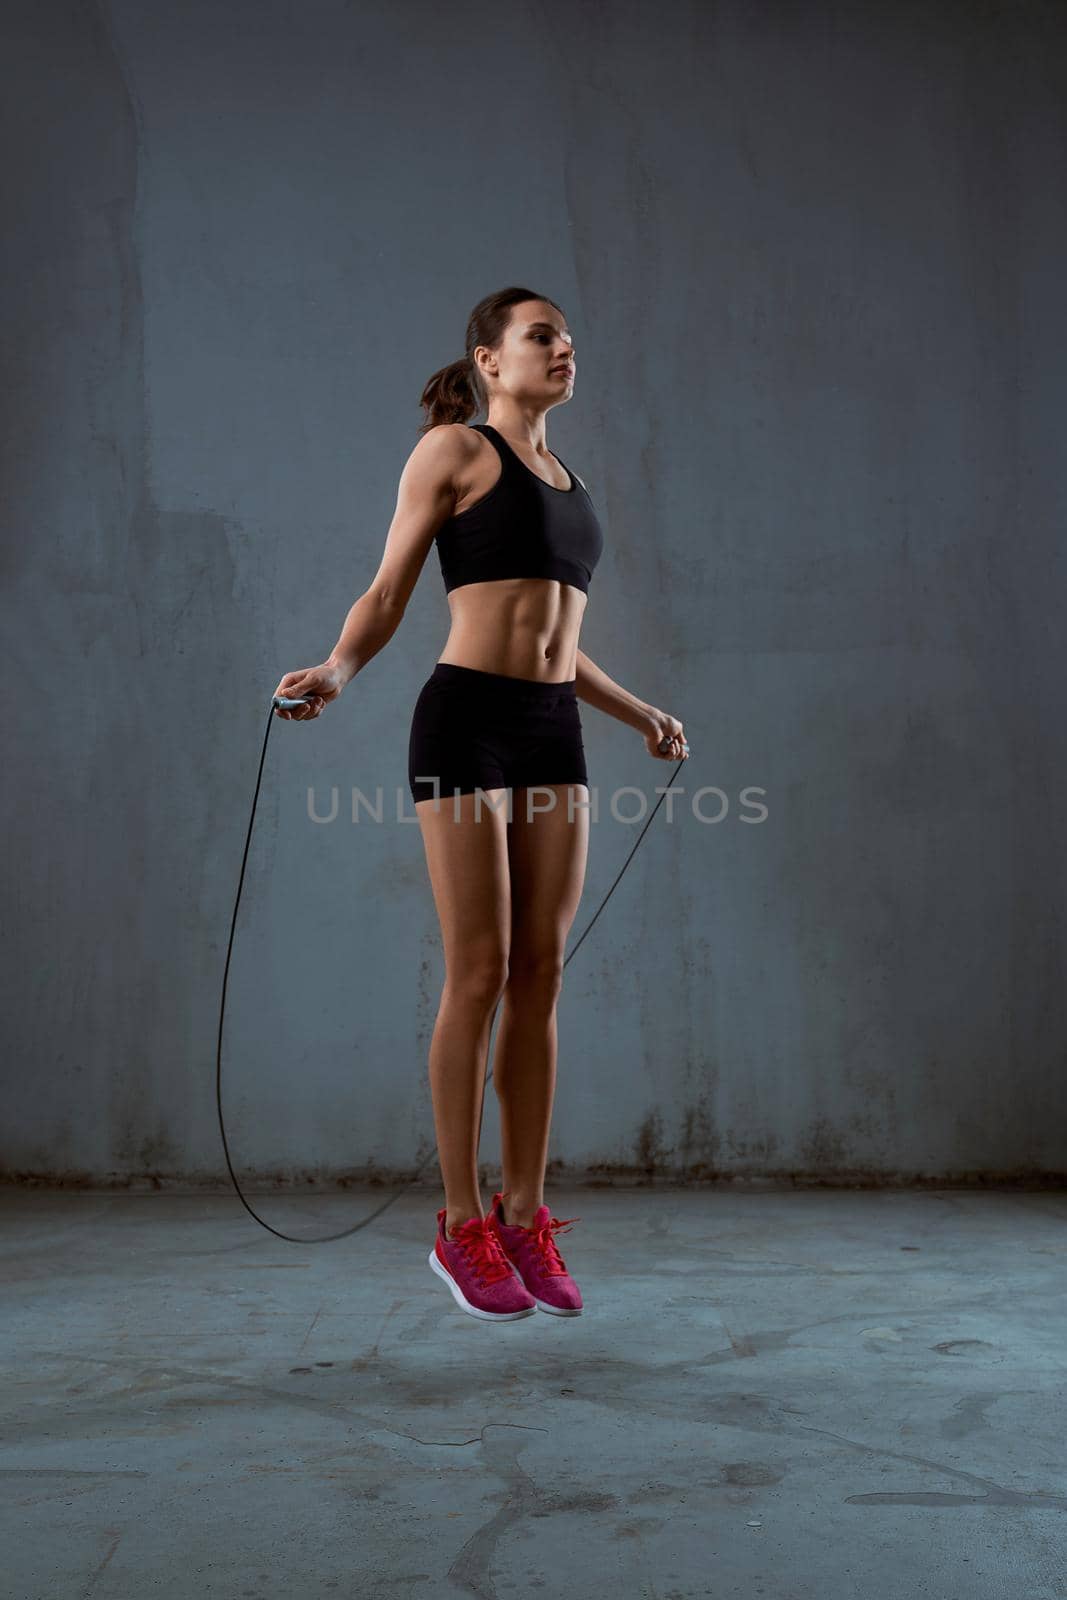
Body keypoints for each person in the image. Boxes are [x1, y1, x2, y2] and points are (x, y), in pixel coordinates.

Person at [272, 286, 688, 1323]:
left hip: (553, 727)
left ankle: (524, 1214)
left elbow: (557, 638)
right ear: (487, 359)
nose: (562, 350)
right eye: (541, 336)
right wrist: (336, 667)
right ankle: (459, 1224)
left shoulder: (572, 483)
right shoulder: (453, 454)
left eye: (568, 339)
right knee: (479, 970)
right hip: (464, 720)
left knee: (540, 975)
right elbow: (387, 591)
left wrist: (639, 712)